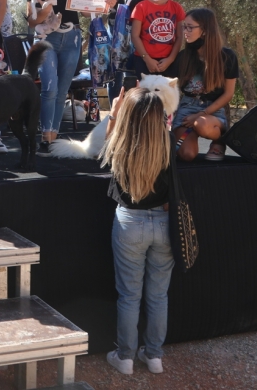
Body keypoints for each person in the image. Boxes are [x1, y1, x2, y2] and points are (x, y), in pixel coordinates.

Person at [103, 85, 175, 376]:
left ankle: (126, 358)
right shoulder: (167, 141)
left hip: (130, 222)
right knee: (158, 296)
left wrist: (114, 113)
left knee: (129, 296)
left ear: (127, 113)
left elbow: (103, 151)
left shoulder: (120, 139)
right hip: (164, 222)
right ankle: (154, 357)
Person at [23, 0, 84, 156]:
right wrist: (46, 6)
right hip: (46, 38)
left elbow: (87, 12)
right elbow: (32, 21)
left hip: (72, 38)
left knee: (62, 91)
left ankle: (54, 138)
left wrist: (105, 1)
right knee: (49, 88)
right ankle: (45, 137)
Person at [173, 8, 238, 162]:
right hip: (187, 108)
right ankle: (192, 132)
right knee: (187, 154)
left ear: (205, 30)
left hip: (213, 110)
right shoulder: (183, 57)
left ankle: (219, 140)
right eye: (184, 27)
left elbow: (228, 94)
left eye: (190, 27)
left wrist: (201, 114)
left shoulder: (227, 57)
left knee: (201, 124)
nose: (185, 32)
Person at [129, 0, 184, 77]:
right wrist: (147, 59)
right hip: (143, 60)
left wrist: (171, 59)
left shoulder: (176, 7)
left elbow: (180, 36)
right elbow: (134, 35)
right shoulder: (140, 7)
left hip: (168, 61)